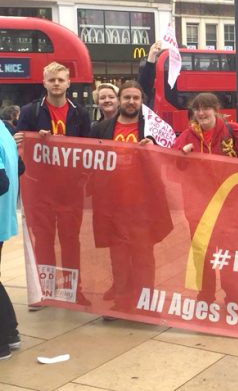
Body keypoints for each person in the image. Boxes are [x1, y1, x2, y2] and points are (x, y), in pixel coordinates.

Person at [89, 81, 173, 312]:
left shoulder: (152, 129)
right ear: (119, 100)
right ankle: (122, 302)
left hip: (142, 206)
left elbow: (170, 157)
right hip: (112, 206)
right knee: (119, 258)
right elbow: (89, 160)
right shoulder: (101, 128)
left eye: (135, 97)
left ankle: (146, 303)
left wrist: (153, 147)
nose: (131, 102)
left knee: (143, 257)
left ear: (141, 101)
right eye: (127, 97)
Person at [15, 62, 91, 309]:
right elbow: (21, 144)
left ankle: (73, 290)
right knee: (44, 239)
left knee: (71, 240)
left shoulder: (80, 112)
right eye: (52, 80)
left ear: (68, 83)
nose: (56, 84)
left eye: (61, 80)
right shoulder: (29, 112)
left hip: (70, 189)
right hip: (40, 188)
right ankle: (45, 290)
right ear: (44, 83)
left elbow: (88, 149)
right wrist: (31, 140)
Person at [172, 93, 238, 306]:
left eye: (205, 108)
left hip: (230, 206)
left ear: (215, 109)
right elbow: (171, 161)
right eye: (197, 109)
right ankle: (205, 295)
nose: (201, 113)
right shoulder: (188, 135)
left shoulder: (232, 130)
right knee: (202, 253)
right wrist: (181, 153)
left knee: (229, 254)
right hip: (197, 207)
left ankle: (234, 297)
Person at [0, 122, 21, 359]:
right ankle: (11, 333)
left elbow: (0, 182)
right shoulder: (3, 129)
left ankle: (1, 344)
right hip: (3, 219)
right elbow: (20, 167)